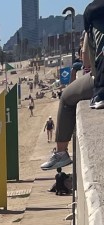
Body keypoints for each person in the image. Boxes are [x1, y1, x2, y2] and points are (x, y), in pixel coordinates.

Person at [42, 2, 104, 171]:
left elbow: (86, 60)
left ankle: (61, 152)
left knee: (66, 97)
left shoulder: (95, 12)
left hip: (100, 82)